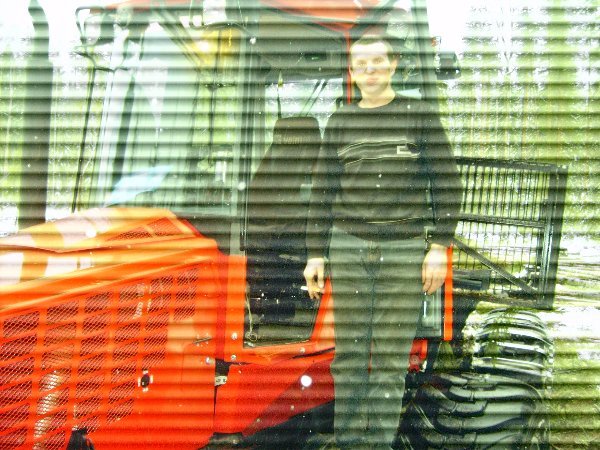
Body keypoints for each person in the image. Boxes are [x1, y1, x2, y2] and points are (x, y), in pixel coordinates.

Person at [303, 34, 462, 449]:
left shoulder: (419, 116)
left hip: (403, 250)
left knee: (390, 360)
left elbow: (447, 184)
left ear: (393, 65)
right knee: (350, 358)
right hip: (348, 247)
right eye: (361, 64)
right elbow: (322, 192)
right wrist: (316, 253)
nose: (369, 70)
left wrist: (438, 247)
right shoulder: (340, 122)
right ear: (352, 72)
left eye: (377, 62)